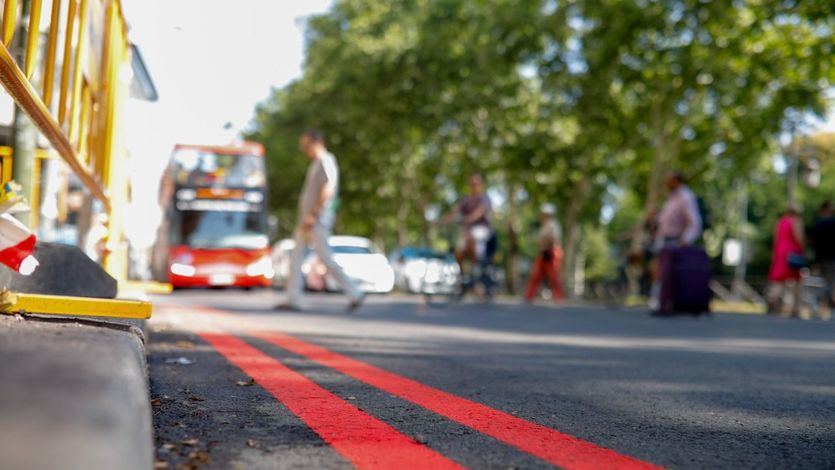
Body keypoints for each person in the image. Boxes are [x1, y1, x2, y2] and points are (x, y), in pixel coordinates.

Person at [278, 130, 364, 312]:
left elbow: (328, 189)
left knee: (325, 258)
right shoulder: (316, 163)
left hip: (316, 220)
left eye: (307, 145)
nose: (304, 149)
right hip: (306, 221)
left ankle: (354, 292)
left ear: (318, 142)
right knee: (295, 258)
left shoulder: (326, 160)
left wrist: (314, 214)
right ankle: (292, 299)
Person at [651, 172, 703, 314]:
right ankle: (658, 302)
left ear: (677, 181)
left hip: (676, 242)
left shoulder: (686, 197)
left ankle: (668, 303)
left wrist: (685, 240)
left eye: (669, 181)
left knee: (668, 274)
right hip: (663, 239)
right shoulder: (672, 198)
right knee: (658, 271)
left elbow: (695, 222)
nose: (666, 184)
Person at [441, 173, 494, 295]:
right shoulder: (466, 200)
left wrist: (467, 219)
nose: (474, 186)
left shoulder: (484, 198)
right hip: (468, 230)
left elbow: (479, 212)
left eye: (476, 184)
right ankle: (463, 280)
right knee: (458, 254)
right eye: (472, 184)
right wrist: (442, 221)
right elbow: (455, 212)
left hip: (482, 230)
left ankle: (476, 269)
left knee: (471, 237)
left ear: (481, 185)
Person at [766, 207, 805, 317]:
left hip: (780, 252)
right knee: (796, 281)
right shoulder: (796, 221)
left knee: (779, 279)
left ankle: (772, 299)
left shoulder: (780, 222)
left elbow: (776, 239)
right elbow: (799, 238)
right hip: (793, 253)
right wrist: (804, 249)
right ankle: (795, 308)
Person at [524, 203, 564, 303]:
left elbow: (553, 238)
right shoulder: (544, 226)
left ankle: (558, 297)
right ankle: (529, 296)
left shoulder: (553, 225)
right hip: (543, 252)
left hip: (551, 252)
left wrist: (544, 241)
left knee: (553, 276)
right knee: (536, 274)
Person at [809, 201, 835, 313]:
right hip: (831, 257)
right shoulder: (832, 222)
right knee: (830, 282)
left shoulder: (817, 223)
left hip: (820, 257)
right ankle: (817, 298)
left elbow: (812, 242)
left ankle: (820, 301)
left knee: (825, 281)